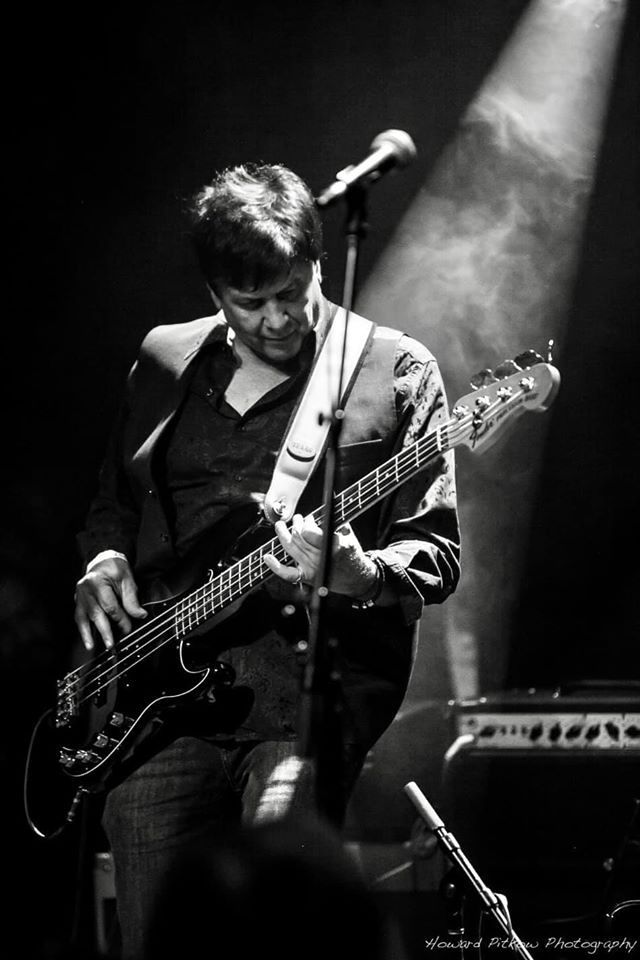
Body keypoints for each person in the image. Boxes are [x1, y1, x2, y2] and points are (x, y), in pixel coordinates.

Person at [73, 162, 460, 959]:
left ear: (318, 262)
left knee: (281, 941)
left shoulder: (394, 370)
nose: (278, 319)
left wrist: (360, 574)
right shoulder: (164, 360)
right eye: (249, 303)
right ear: (213, 290)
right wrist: (104, 556)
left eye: (293, 291)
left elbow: (436, 549)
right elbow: (116, 499)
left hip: (303, 703)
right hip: (155, 709)